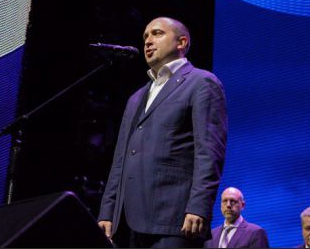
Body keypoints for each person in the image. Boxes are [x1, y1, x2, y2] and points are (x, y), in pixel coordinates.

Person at [97, 17, 228, 248]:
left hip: (176, 219)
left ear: (182, 42)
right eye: (145, 36)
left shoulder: (201, 82)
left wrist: (199, 206)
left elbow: (209, 152)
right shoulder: (136, 98)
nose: (148, 41)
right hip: (130, 222)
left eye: (157, 33)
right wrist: (108, 212)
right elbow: (121, 160)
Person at [204, 187, 269, 248]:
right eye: (225, 201)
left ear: (242, 205)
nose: (228, 205)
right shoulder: (211, 235)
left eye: (233, 201)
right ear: (221, 205)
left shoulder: (255, 233)